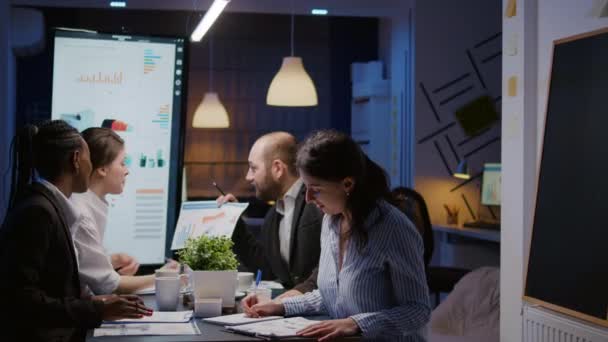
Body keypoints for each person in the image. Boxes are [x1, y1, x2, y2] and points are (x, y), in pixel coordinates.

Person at [242, 130, 431, 341]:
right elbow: (330, 297)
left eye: (316, 189)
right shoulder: (331, 221)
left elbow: (418, 310)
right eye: (306, 188)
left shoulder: (393, 228)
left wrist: (356, 323)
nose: (308, 198)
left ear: (347, 184)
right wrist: (280, 306)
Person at [0, 120, 152, 342]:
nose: (91, 166)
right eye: (89, 158)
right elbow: (20, 299)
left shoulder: (47, 206)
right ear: (76, 161)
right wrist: (97, 309)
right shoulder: (38, 212)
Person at [70, 127, 177, 295]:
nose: (127, 170)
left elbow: (82, 266)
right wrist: (166, 275)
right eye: (122, 163)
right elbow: (110, 285)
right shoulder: (81, 213)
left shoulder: (88, 204)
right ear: (103, 169)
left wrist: (111, 261)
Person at [217, 132, 322, 292]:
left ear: (278, 168)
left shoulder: (319, 204)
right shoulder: (272, 216)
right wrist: (235, 223)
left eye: (253, 168)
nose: (248, 177)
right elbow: (267, 270)